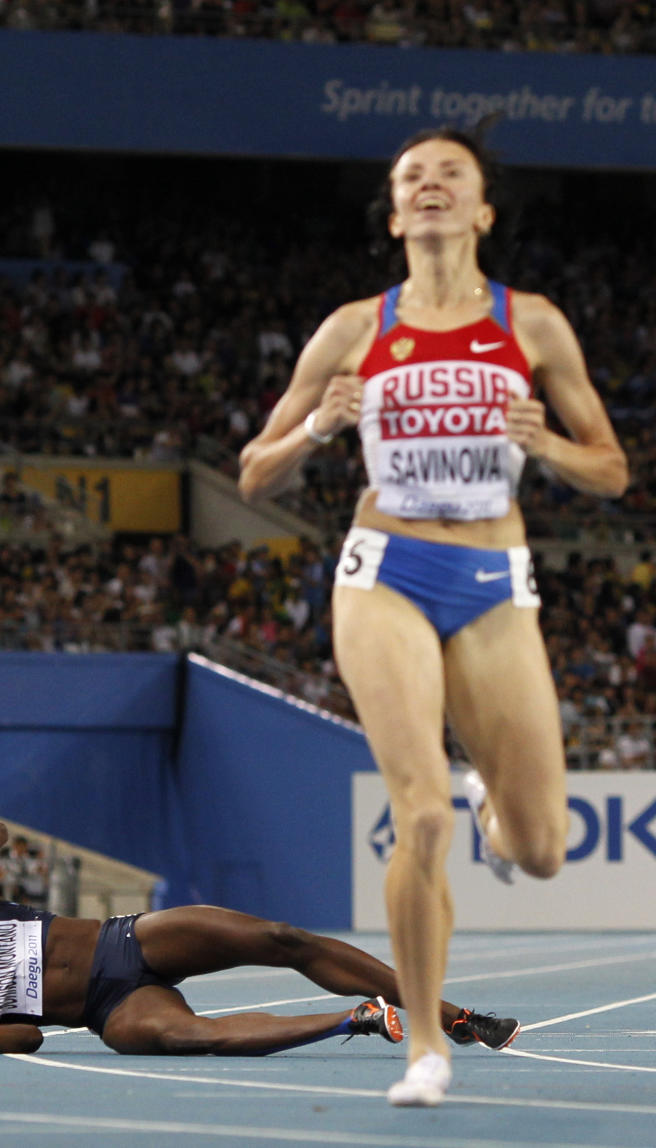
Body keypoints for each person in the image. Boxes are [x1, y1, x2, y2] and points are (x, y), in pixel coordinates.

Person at [237, 128, 627, 1106]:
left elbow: (612, 469)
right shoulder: (352, 327)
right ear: (397, 211)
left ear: (485, 208)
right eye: (415, 176)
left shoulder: (530, 323)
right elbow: (252, 469)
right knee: (418, 812)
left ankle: (497, 806)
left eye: (453, 173)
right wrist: (322, 422)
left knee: (539, 844)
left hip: (494, 577)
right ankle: (424, 1046)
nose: (434, 185)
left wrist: (549, 447)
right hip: (386, 570)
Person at [0, 819, 517, 1057]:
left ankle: (453, 1017)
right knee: (194, 1037)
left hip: (129, 943)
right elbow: (28, 1039)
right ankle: (356, 1018)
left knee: (281, 937)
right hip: (109, 1011)